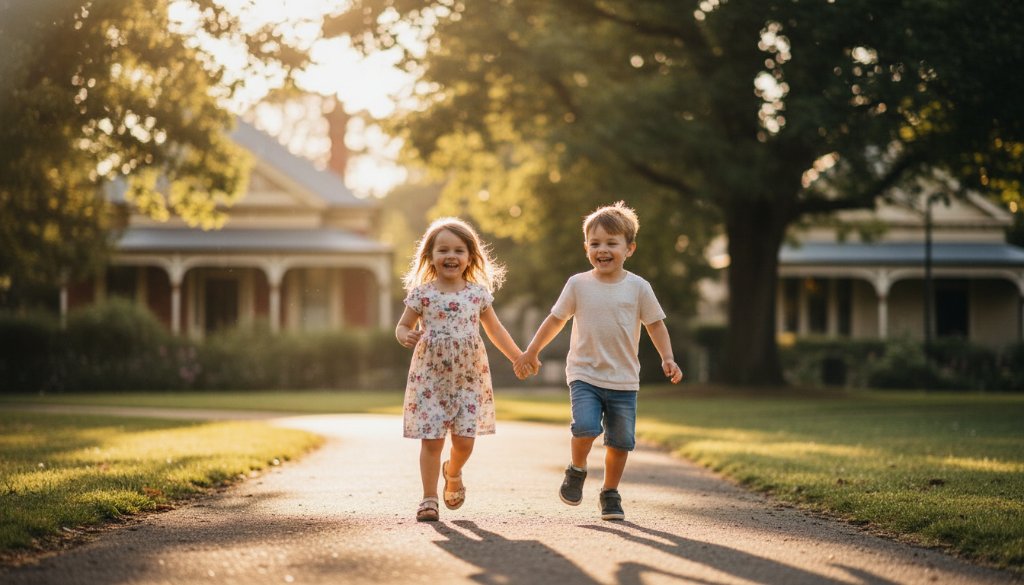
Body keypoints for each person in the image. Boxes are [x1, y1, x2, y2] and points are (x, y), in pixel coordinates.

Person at [514, 201, 683, 521]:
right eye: (595, 244)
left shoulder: (638, 287)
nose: (602, 249)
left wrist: (668, 358)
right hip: (584, 374)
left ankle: (610, 492)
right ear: (586, 248)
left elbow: (655, 324)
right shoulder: (578, 284)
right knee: (585, 427)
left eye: (611, 243)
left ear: (629, 248)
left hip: (623, 379)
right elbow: (554, 320)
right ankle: (577, 470)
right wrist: (531, 350)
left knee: (620, 443)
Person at [396, 217, 525, 522]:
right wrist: (404, 334)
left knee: (465, 441)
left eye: (458, 250)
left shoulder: (477, 295)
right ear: (430, 256)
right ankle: (428, 498)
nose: (450, 256)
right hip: (431, 379)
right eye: (443, 250)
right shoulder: (422, 294)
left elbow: (496, 331)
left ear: (470, 257)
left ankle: (452, 472)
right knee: (432, 440)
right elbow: (403, 325)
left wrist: (518, 356)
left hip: (469, 378)